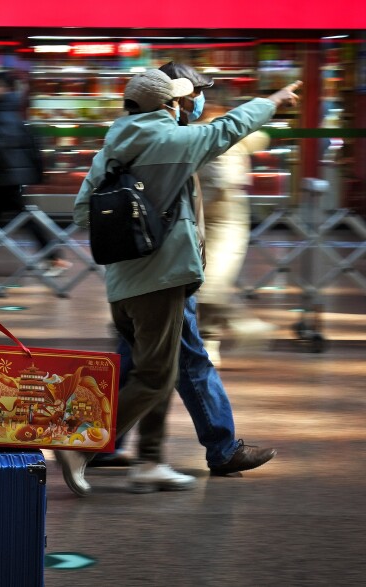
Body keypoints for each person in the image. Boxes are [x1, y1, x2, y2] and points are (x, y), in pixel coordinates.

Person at [56, 69, 301, 496]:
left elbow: (82, 212)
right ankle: (81, 443)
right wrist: (275, 101)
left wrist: (134, 210)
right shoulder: (173, 143)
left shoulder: (112, 146)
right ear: (167, 104)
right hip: (160, 281)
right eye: (181, 100)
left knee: (154, 366)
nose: (189, 105)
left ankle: (148, 460)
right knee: (156, 375)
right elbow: (229, 130)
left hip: (122, 284)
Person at [196, 102, 276, 363]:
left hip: (226, 220)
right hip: (200, 218)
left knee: (212, 281)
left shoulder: (220, 137)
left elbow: (222, 182)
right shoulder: (200, 136)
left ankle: (213, 339)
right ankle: (220, 334)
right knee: (203, 282)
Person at [0, 70, 68, 277]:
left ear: (3, 88)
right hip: (10, 175)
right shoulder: (9, 109)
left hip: (9, 176)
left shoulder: (4, 111)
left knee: (8, 219)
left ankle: (54, 258)